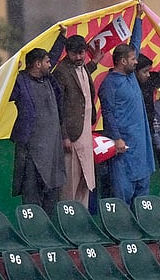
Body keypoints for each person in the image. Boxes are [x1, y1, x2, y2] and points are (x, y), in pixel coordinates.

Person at [98, 12, 155, 205]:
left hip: (141, 147)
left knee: (142, 199)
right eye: (132, 59)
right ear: (123, 61)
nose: (136, 61)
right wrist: (117, 138)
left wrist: (138, 19)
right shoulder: (109, 84)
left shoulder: (130, 76)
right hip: (123, 147)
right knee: (123, 197)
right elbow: (108, 113)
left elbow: (135, 44)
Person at [9, 48, 66, 215]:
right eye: (47, 62)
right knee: (31, 195)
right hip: (30, 151)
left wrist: (61, 38)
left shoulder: (49, 80)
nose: (50, 65)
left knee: (51, 196)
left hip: (52, 151)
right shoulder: (21, 81)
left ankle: (51, 235)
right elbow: (6, 93)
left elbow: (54, 59)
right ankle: (34, 233)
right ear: (37, 63)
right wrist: (12, 72)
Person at [52, 35, 104, 208]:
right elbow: (58, 106)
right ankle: (69, 222)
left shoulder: (82, 67)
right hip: (72, 135)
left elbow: (84, 74)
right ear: (68, 53)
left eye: (82, 53)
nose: (80, 57)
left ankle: (82, 223)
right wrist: (64, 136)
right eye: (76, 54)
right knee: (70, 184)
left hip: (85, 132)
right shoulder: (61, 71)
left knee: (86, 180)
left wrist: (95, 61)